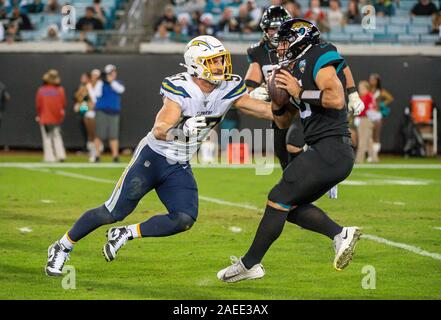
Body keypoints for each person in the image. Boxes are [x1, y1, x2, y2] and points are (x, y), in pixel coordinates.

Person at [45, 35, 274, 277]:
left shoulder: (229, 87)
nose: (220, 66)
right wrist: (182, 131)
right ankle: (62, 246)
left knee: (184, 218)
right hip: (152, 158)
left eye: (221, 60)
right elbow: (160, 129)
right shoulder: (181, 87)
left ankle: (126, 233)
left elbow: (267, 111)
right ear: (196, 64)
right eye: (213, 61)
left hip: (178, 164)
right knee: (112, 212)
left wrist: (293, 101)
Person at [218, 19, 362, 283]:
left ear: (300, 39)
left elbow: (335, 98)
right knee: (289, 207)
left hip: (331, 148)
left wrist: (299, 91)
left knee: (278, 196)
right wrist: (277, 101)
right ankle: (339, 234)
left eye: (284, 40)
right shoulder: (294, 68)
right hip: (325, 150)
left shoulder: (319, 55)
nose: (280, 46)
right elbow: (283, 122)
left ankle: (250, 264)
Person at [245, 6, 363, 169]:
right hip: (283, 104)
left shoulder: (307, 44)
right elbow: (250, 84)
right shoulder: (258, 51)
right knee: (283, 155)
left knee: (294, 143)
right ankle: (296, 181)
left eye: (279, 28)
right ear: (264, 29)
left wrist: (353, 93)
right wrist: (256, 92)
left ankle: (308, 177)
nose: (275, 32)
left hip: (304, 103)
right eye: (271, 28)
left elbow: (340, 66)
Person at [93, 64, 125, 163]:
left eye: (113, 72)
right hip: (101, 111)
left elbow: (121, 90)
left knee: (113, 135)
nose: (112, 74)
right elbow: (97, 94)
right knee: (99, 134)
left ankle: (115, 156)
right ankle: (97, 155)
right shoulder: (101, 83)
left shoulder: (117, 83)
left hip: (114, 112)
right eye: (110, 73)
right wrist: (100, 82)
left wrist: (111, 81)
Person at [35, 69, 67, 163]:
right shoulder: (60, 90)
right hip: (57, 117)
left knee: (47, 138)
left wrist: (39, 115)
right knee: (57, 136)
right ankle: (61, 155)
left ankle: (49, 157)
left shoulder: (41, 90)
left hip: (45, 117)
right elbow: (63, 104)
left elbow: (38, 105)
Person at [368, 73, 394, 162]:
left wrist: (382, 104)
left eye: (373, 80)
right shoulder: (368, 90)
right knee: (369, 135)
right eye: (370, 79)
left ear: (377, 81)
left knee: (376, 136)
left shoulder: (381, 91)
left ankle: (375, 155)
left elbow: (390, 98)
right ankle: (371, 155)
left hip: (377, 115)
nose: (371, 81)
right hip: (368, 114)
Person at [74, 72, 97, 162]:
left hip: (95, 113)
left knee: (94, 134)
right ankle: (92, 153)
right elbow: (78, 98)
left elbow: (95, 101)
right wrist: (83, 105)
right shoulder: (85, 87)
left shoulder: (96, 86)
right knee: (90, 134)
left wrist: (85, 105)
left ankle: (95, 153)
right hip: (87, 112)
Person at [355, 80, 378, 163]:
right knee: (368, 141)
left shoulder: (368, 96)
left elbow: (364, 109)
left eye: (361, 88)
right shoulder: (366, 96)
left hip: (365, 120)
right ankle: (374, 159)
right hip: (364, 119)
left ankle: (359, 159)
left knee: (362, 140)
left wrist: (357, 115)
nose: (359, 89)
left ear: (366, 88)